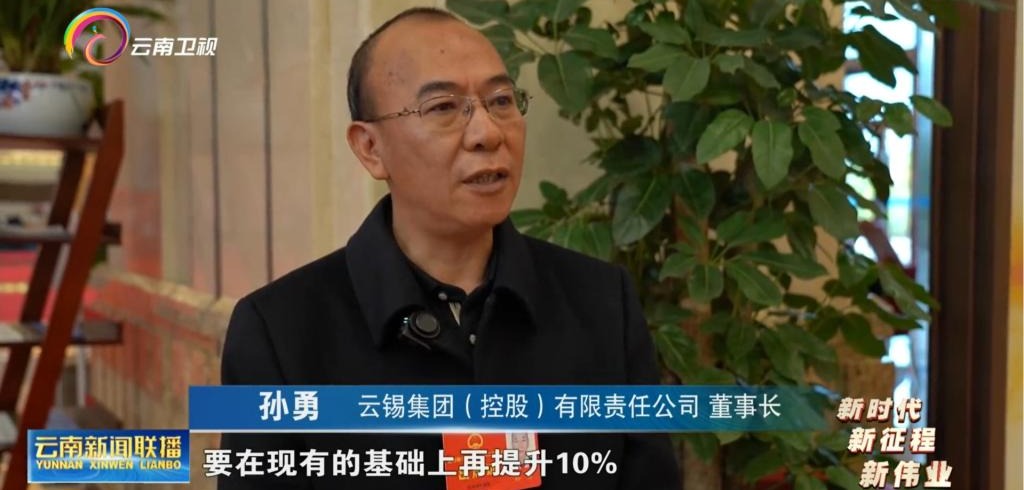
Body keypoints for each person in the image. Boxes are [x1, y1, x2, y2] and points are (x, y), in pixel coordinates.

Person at [219, 7, 681, 489]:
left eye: (501, 100)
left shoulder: (602, 302)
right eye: (442, 108)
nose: (488, 133)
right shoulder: (280, 332)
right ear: (370, 148)